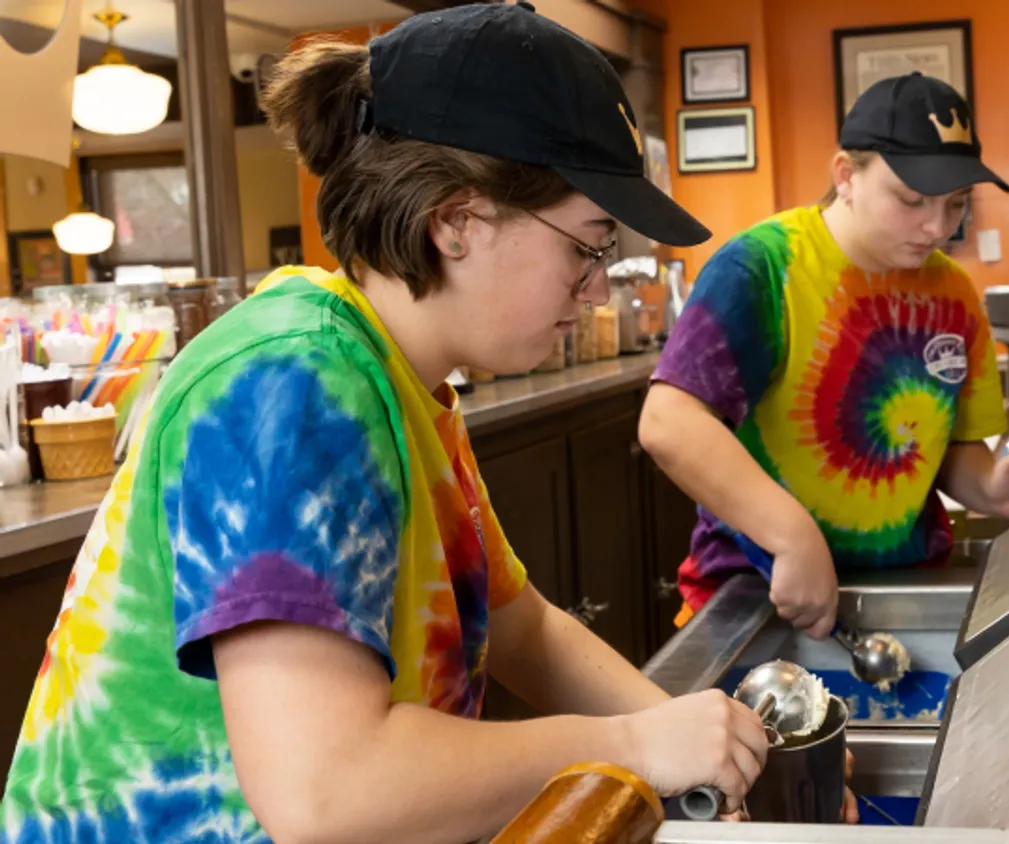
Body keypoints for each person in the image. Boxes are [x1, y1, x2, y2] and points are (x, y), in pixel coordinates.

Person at [0, 6, 773, 842]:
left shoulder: (400, 376)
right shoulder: (293, 384)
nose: (596, 290)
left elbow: (521, 627)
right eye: (588, 247)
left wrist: (702, 744)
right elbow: (326, 793)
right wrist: (631, 745)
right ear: (456, 221)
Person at [640, 73, 1009, 637]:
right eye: (911, 200)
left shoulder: (953, 293)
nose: (937, 227)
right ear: (845, 175)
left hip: (907, 594)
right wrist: (792, 535)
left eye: (955, 204)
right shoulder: (764, 268)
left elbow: (948, 449)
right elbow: (668, 423)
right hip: (757, 597)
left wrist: (991, 488)